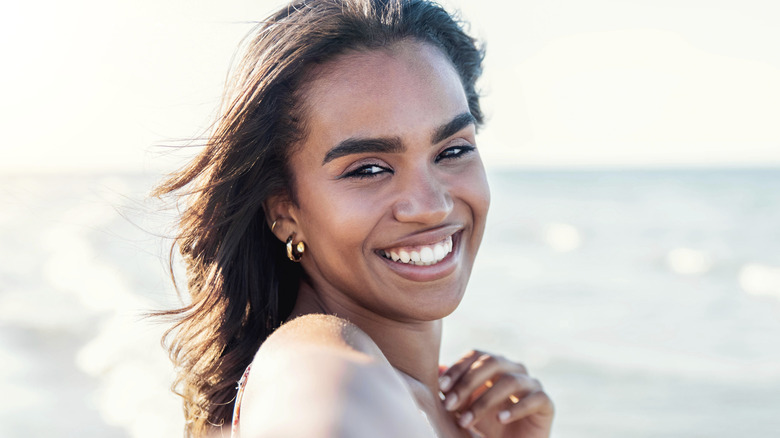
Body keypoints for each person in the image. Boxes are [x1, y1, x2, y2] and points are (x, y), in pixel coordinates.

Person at [155, 0, 554, 436]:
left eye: (453, 151)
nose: (432, 205)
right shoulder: (320, 368)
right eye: (368, 169)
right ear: (284, 211)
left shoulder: (438, 406)